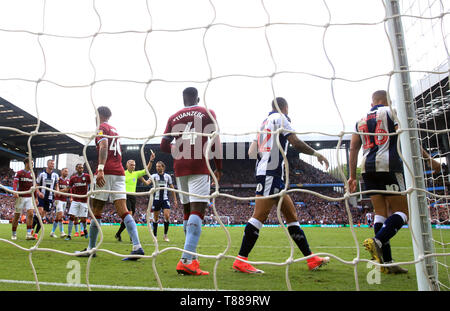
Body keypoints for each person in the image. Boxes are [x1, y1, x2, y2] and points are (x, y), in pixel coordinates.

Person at [347, 90, 441, 274]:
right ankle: (378, 241)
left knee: (380, 213)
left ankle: (387, 262)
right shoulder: (391, 112)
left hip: (367, 169)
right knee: (404, 211)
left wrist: (352, 176)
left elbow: (353, 148)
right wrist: (429, 159)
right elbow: (407, 136)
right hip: (388, 167)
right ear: (387, 100)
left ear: (372, 101)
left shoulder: (360, 120)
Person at [232, 97, 330, 274]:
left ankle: (311, 259)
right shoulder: (281, 118)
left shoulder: (263, 124)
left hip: (270, 173)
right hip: (271, 173)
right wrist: (316, 154)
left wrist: (264, 159)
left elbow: (251, 151)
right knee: (259, 216)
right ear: (285, 107)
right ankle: (241, 260)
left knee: (291, 215)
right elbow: (296, 142)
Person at [160, 86, 223, 275]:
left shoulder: (173, 117)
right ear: (197, 98)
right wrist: (218, 167)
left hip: (180, 168)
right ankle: (186, 260)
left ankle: (192, 259)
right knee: (198, 210)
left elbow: (163, 145)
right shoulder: (207, 112)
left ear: (183, 98)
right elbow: (216, 140)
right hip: (199, 165)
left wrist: (178, 152)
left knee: (187, 212)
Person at [75, 106, 144, 261]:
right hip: (119, 172)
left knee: (96, 209)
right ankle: (137, 246)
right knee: (124, 210)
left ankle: (91, 248)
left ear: (99, 115)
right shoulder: (114, 129)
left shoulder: (101, 127)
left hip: (106, 172)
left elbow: (104, 146)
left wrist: (100, 169)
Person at [115, 152, 155, 242]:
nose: (133, 166)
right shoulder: (123, 173)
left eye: (134, 165)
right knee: (129, 216)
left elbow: (147, 169)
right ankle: (132, 237)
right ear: (127, 165)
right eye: (131, 165)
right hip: (125, 196)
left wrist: (151, 160)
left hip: (133, 196)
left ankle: (118, 234)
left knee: (128, 218)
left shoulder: (136, 174)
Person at [149, 161, 178, 242]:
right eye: (156, 166)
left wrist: (175, 199)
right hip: (156, 199)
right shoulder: (154, 176)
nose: (157, 168)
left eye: (159, 166)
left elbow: (172, 188)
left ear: (163, 167)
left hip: (165, 199)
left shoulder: (167, 176)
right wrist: (143, 179)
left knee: (167, 216)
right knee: (155, 218)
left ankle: (165, 235)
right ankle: (154, 236)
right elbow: (148, 182)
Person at [33, 159, 59, 239]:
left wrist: (57, 191)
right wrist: (39, 193)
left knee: (42, 216)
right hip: (42, 197)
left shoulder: (55, 175)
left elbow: (56, 185)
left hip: (50, 197)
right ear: (47, 164)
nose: (52, 165)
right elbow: (36, 185)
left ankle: (36, 233)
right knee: (40, 213)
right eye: (51, 163)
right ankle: (31, 230)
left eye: (53, 164)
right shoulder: (42, 174)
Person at [11, 158, 36, 240]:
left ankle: (28, 234)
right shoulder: (19, 173)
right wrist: (15, 191)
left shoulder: (33, 174)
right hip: (21, 196)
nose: (32, 165)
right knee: (17, 215)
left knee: (31, 214)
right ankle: (14, 234)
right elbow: (15, 182)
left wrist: (35, 197)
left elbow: (34, 187)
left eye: (33, 163)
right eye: (31, 163)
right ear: (26, 163)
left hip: (29, 197)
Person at [66, 163, 91, 240]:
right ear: (76, 169)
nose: (81, 169)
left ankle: (85, 229)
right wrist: (59, 191)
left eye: (82, 168)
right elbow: (68, 188)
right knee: (71, 217)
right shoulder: (73, 178)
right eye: (79, 168)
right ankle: (69, 235)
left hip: (84, 200)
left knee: (83, 219)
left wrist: (89, 192)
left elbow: (90, 185)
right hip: (75, 200)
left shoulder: (87, 176)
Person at [50, 167, 69, 238]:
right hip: (58, 200)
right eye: (65, 171)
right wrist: (65, 190)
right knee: (60, 215)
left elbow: (68, 191)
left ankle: (52, 232)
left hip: (64, 200)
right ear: (61, 172)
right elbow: (57, 193)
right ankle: (62, 232)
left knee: (58, 217)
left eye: (67, 172)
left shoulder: (68, 181)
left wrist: (64, 192)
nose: (66, 173)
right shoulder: (58, 180)